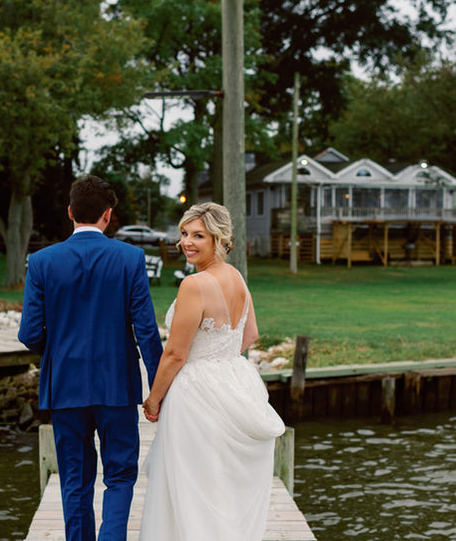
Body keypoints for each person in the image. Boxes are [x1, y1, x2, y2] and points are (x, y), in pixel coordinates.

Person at [18, 175, 163, 541]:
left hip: (65, 386)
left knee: (75, 479)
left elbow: (30, 334)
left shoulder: (42, 261)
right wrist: (159, 388)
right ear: (108, 216)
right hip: (117, 386)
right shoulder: (130, 258)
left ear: (70, 212)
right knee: (119, 476)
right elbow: (145, 331)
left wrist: (60, 348)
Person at [140, 202, 285, 541]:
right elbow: (249, 335)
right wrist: (220, 357)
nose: (187, 242)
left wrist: (153, 400)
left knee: (192, 484)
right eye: (184, 234)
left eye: (198, 236)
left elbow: (175, 354)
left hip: (196, 394)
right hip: (235, 384)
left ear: (219, 238)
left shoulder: (195, 284)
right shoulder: (236, 277)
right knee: (219, 485)